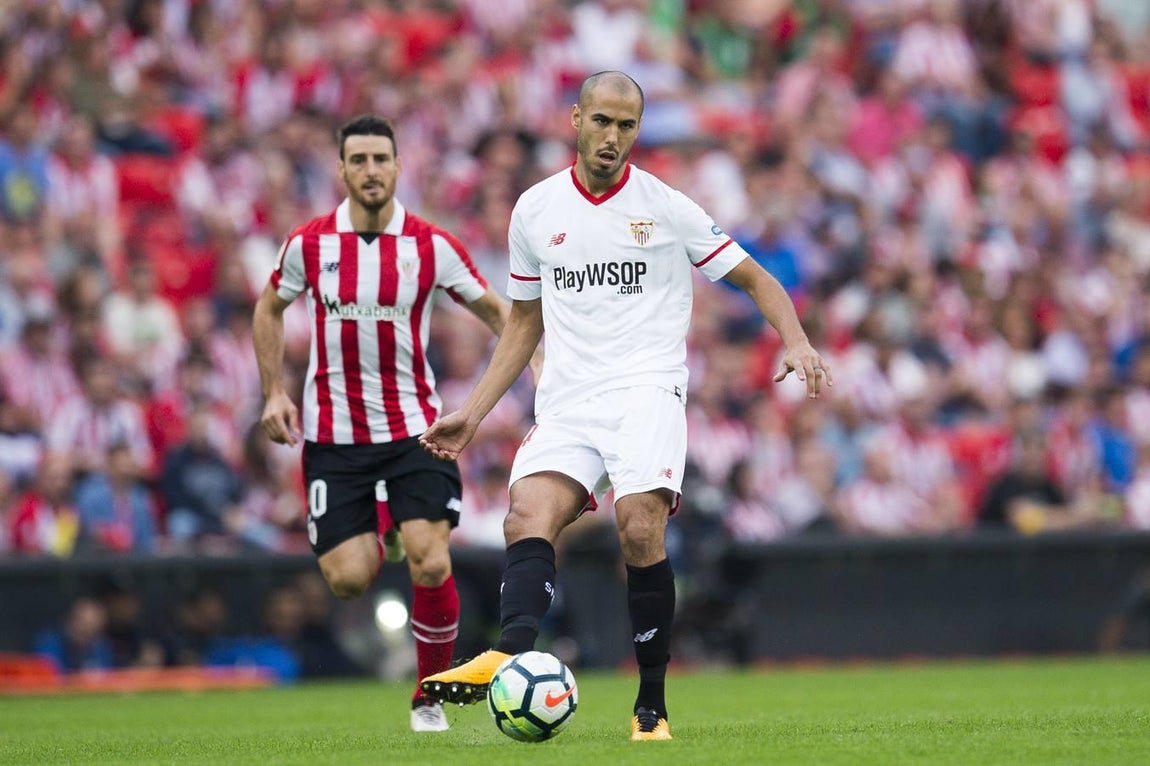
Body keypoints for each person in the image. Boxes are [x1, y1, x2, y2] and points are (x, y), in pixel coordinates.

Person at [417, 71, 832, 742]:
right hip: (570, 398)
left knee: (639, 527)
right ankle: (511, 653)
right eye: (602, 121)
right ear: (575, 119)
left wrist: (796, 340)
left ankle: (652, 705)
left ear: (636, 131)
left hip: (647, 388)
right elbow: (524, 323)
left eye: (626, 125)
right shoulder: (536, 210)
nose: (612, 137)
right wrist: (474, 411)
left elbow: (756, 277)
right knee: (527, 514)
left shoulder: (666, 207)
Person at [253, 114, 531, 732]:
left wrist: (538, 359)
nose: (372, 170)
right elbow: (268, 308)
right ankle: (387, 524)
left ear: (399, 166)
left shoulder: (431, 244)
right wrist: (273, 391)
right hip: (334, 439)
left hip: (415, 431)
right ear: (342, 169)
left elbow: (496, 309)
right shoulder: (310, 244)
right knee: (350, 579)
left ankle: (429, 695)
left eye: (382, 159)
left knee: (431, 562)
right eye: (359, 160)